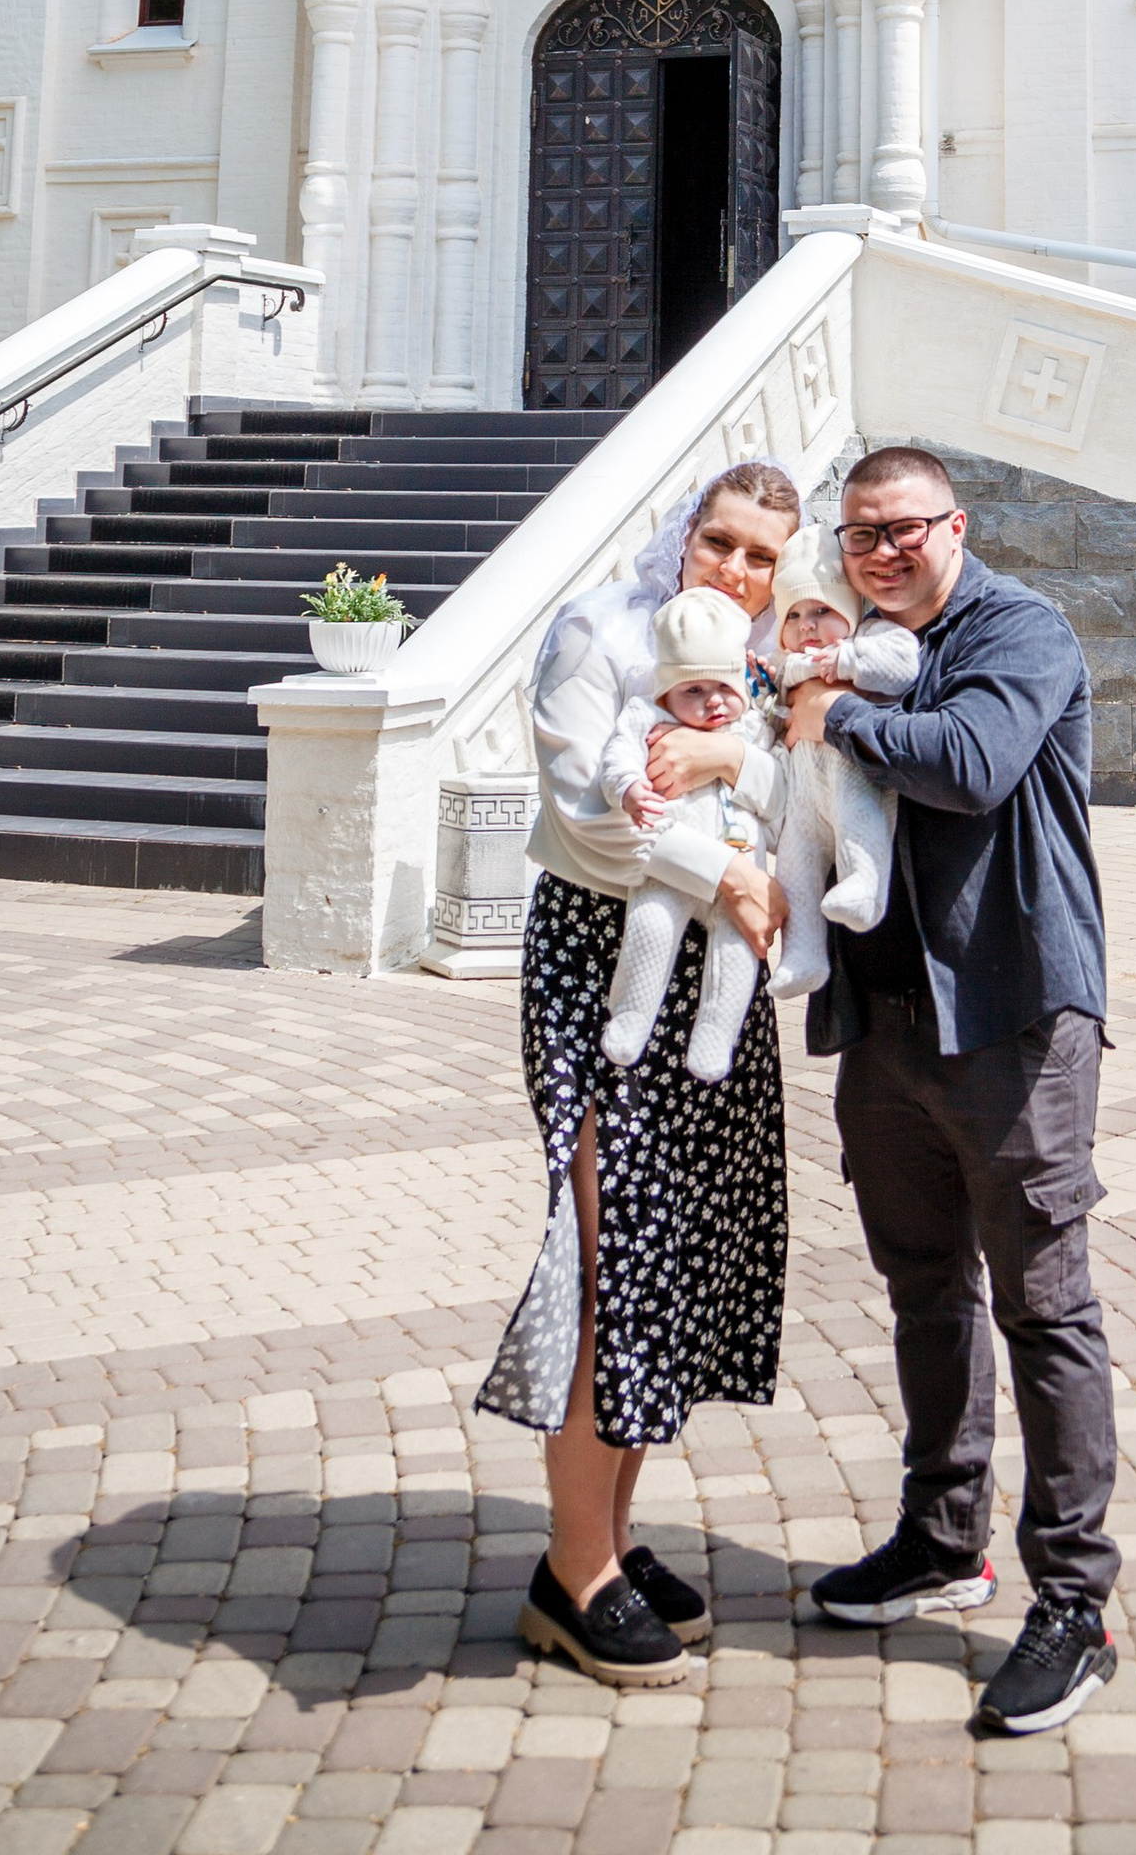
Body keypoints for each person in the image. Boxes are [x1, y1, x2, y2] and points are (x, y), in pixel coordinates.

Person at [786, 443, 1120, 1739]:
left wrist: (826, 711)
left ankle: (1076, 1604)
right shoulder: (853, 634)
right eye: (861, 535)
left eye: (903, 531)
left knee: (1045, 1307)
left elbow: (973, 763)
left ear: (955, 526)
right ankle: (942, 1540)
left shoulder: (1019, 631)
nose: (881, 553)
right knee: (926, 1290)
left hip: (1013, 1019)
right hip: (887, 1023)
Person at [476, 460, 798, 1690]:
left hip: (710, 971)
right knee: (606, 1255)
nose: (735, 570)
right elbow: (580, 801)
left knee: (664, 1257)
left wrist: (729, 776)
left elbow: (787, 788)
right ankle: (572, 1574)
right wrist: (722, 872)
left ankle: (607, 1538)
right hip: (605, 958)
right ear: (686, 532)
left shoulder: (757, 668)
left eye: (762, 556)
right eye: (721, 541)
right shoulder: (598, 631)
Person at [597, 587, 785, 1081]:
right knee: (650, 927)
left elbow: (784, 786)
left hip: (742, 871)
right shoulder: (648, 718)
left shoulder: (752, 726)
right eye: (693, 691)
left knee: (738, 951)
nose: (713, 703)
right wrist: (631, 788)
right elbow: (615, 759)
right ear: (666, 692)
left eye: (723, 687)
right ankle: (631, 1018)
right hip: (674, 868)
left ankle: (716, 1037)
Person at [766, 536, 923, 1003]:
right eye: (793, 616)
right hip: (803, 794)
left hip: (852, 768)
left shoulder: (871, 638)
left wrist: (848, 660)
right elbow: (772, 708)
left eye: (821, 611)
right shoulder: (785, 662)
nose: (807, 627)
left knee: (860, 819)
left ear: (850, 609)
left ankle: (865, 887)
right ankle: (803, 955)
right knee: (796, 864)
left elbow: (905, 664)